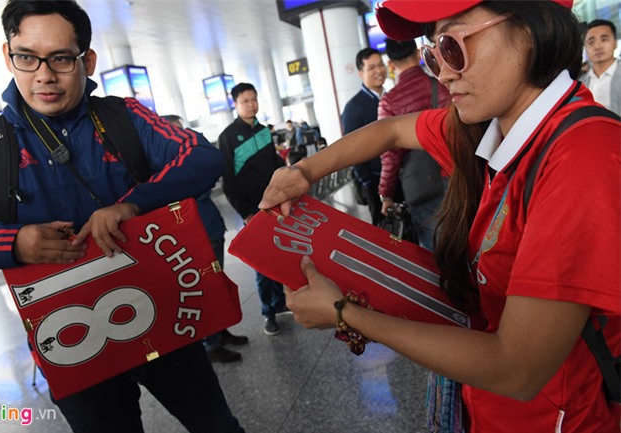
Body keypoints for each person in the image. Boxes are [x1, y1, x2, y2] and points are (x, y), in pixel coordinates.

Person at [259, 1, 620, 432]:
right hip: (489, 408)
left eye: (453, 45)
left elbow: (516, 368)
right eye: (433, 54)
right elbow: (391, 129)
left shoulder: (581, 156)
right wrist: (303, 171)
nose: (442, 72)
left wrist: (345, 314)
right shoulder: (497, 128)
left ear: (530, 30)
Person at [0, 2, 244, 432]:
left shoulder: (123, 117)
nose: (43, 75)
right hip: (69, 341)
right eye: (26, 57)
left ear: (87, 60)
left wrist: (133, 203)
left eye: (61, 58)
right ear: (8, 57)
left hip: (160, 310)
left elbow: (203, 155)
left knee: (216, 425)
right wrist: (15, 243)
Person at [161, 115, 249, 364]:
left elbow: (212, 172)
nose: (182, 138)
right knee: (204, 289)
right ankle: (211, 343)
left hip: (210, 227)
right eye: (175, 133)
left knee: (218, 284)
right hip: (191, 235)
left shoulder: (189, 159)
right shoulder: (166, 168)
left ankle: (221, 331)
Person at [218, 82, 291, 336]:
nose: (251, 104)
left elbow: (274, 163)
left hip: (274, 204)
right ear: (235, 105)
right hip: (252, 209)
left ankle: (280, 303)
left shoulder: (263, 131)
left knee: (279, 254)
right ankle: (267, 313)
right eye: (245, 101)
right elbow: (228, 180)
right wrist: (245, 213)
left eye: (254, 99)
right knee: (262, 263)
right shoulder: (228, 136)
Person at [378, 38, 451, 251]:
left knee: (434, 250)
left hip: (421, 184)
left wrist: (386, 194)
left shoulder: (389, 102)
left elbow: (390, 155)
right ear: (419, 54)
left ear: (391, 64)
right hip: (457, 172)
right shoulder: (443, 85)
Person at [341, 47, 387, 226]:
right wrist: (368, 182)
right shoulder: (354, 108)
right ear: (360, 73)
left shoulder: (391, 98)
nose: (379, 71)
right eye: (371, 67)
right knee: (386, 234)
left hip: (399, 177)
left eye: (381, 65)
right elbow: (351, 150)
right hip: (375, 181)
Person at [581, 19, 621, 116]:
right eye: (591, 42)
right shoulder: (581, 83)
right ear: (585, 48)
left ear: (615, 43)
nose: (597, 46)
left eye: (604, 39)